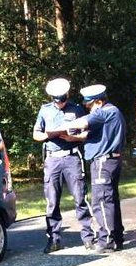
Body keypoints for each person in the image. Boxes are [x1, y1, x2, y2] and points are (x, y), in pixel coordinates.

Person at [63, 84, 126, 253]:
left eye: (89, 105)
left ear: (98, 101)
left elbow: (83, 122)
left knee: (101, 201)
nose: (88, 109)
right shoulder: (111, 113)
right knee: (111, 200)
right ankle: (117, 237)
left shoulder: (105, 112)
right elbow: (93, 134)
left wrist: (63, 125)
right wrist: (73, 137)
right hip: (110, 161)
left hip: (103, 163)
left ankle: (106, 240)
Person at [33, 78, 94, 253]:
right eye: (56, 100)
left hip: (72, 158)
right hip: (52, 160)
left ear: (67, 96)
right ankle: (54, 239)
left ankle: (88, 238)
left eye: (62, 100)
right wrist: (48, 135)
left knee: (80, 198)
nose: (60, 103)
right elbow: (36, 134)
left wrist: (73, 138)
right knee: (52, 202)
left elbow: (87, 131)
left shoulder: (76, 109)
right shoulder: (44, 110)